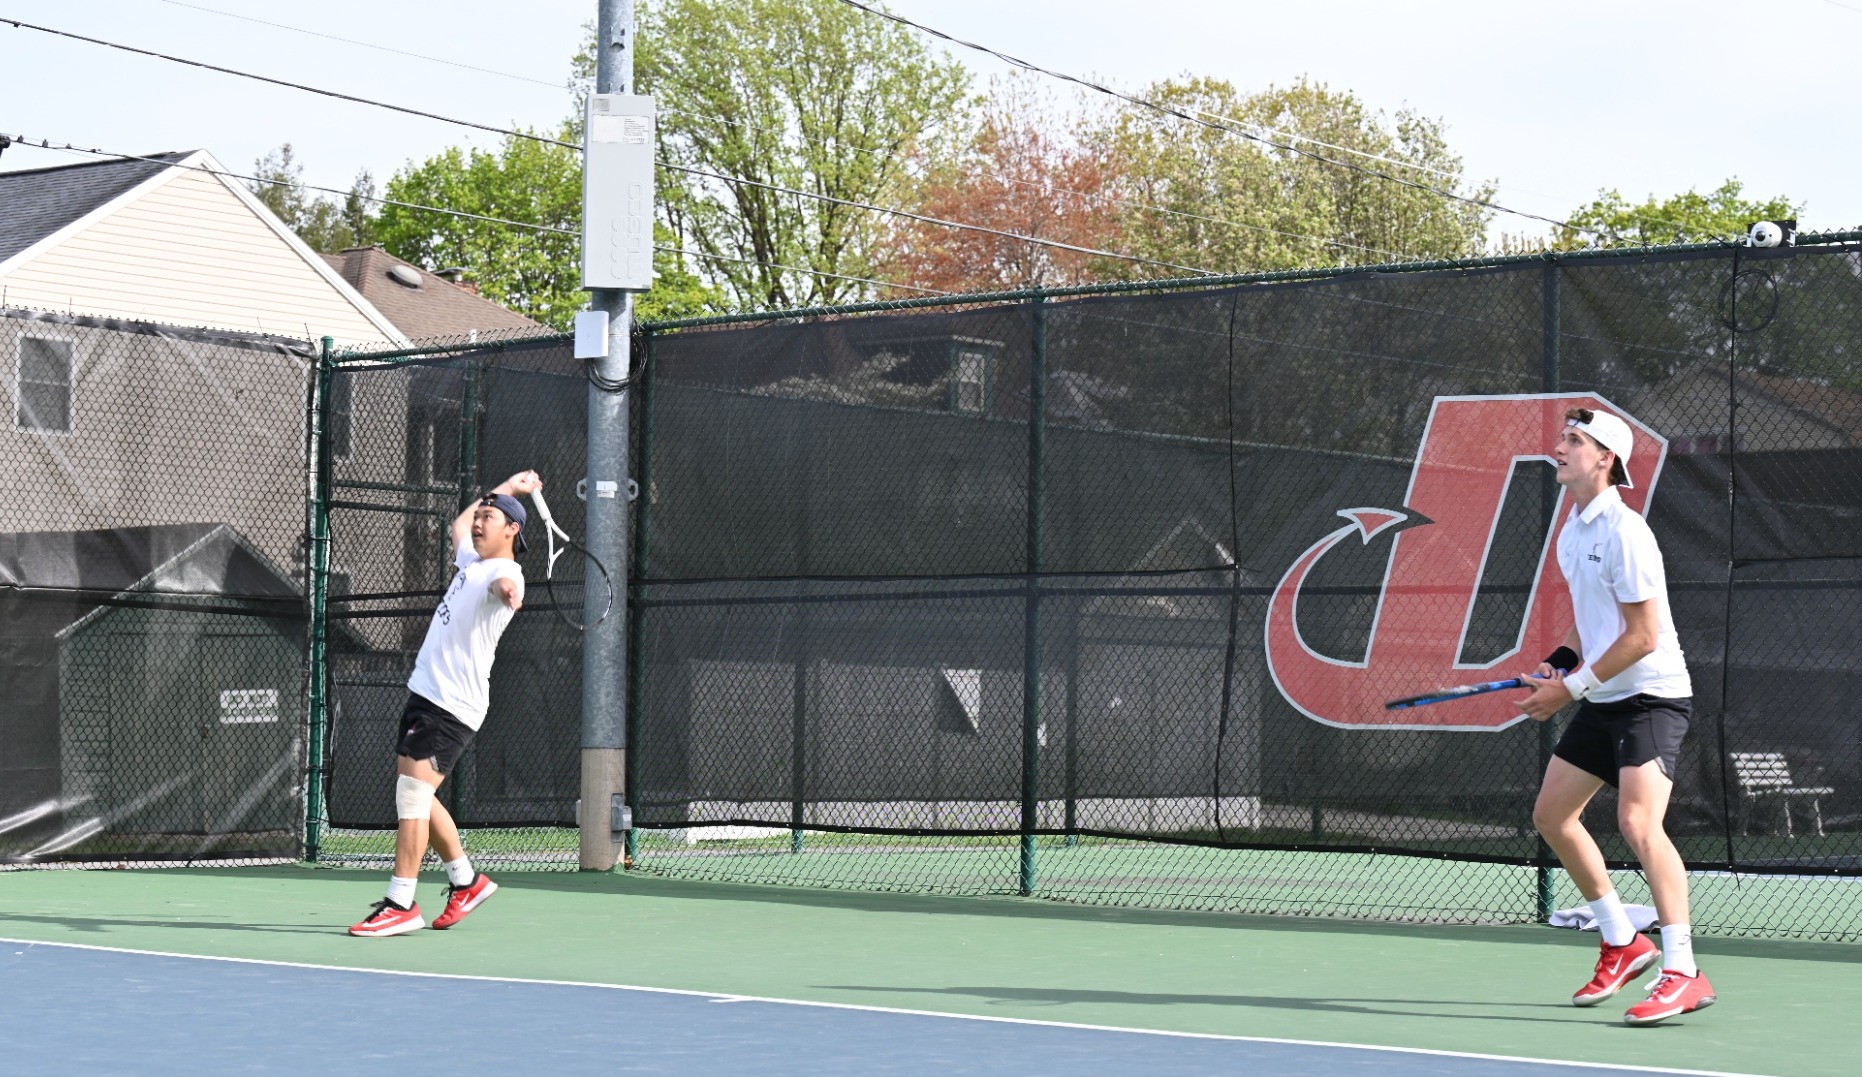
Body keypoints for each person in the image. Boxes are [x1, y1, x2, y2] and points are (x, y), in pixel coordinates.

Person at [1518, 409, 1714, 1026]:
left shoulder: (1627, 534)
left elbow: (1643, 636)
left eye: (1574, 441)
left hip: (1652, 698)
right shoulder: (1572, 531)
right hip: (1604, 698)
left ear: (1605, 458)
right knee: (1551, 816)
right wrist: (1561, 663)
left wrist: (1568, 690)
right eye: (1562, 439)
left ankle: (1684, 970)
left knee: (1637, 822)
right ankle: (1623, 941)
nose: (1560, 448)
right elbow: (1595, 623)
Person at [349, 470, 541, 937]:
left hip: (451, 704)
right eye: (479, 514)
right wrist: (506, 489)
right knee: (418, 793)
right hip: (428, 693)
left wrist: (510, 595)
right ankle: (466, 882)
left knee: (412, 796)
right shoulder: (472, 560)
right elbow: (456, 529)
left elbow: (506, 587)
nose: (477, 522)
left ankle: (401, 902)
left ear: (512, 529)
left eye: (489, 517)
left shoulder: (502, 571)